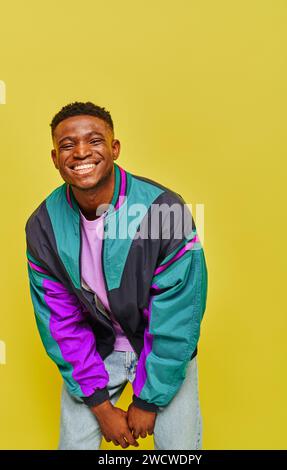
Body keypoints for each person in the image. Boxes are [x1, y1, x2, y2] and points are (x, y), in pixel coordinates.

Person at [25, 101, 208, 450]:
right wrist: (100, 405)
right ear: (54, 158)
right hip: (96, 350)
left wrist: (148, 400)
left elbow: (180, 312)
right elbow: (59, 321)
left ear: (114, 148)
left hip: (162, 350)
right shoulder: (43, 225)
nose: (81, 152)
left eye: (94, 141)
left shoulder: (163, 209)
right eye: (67, 145)